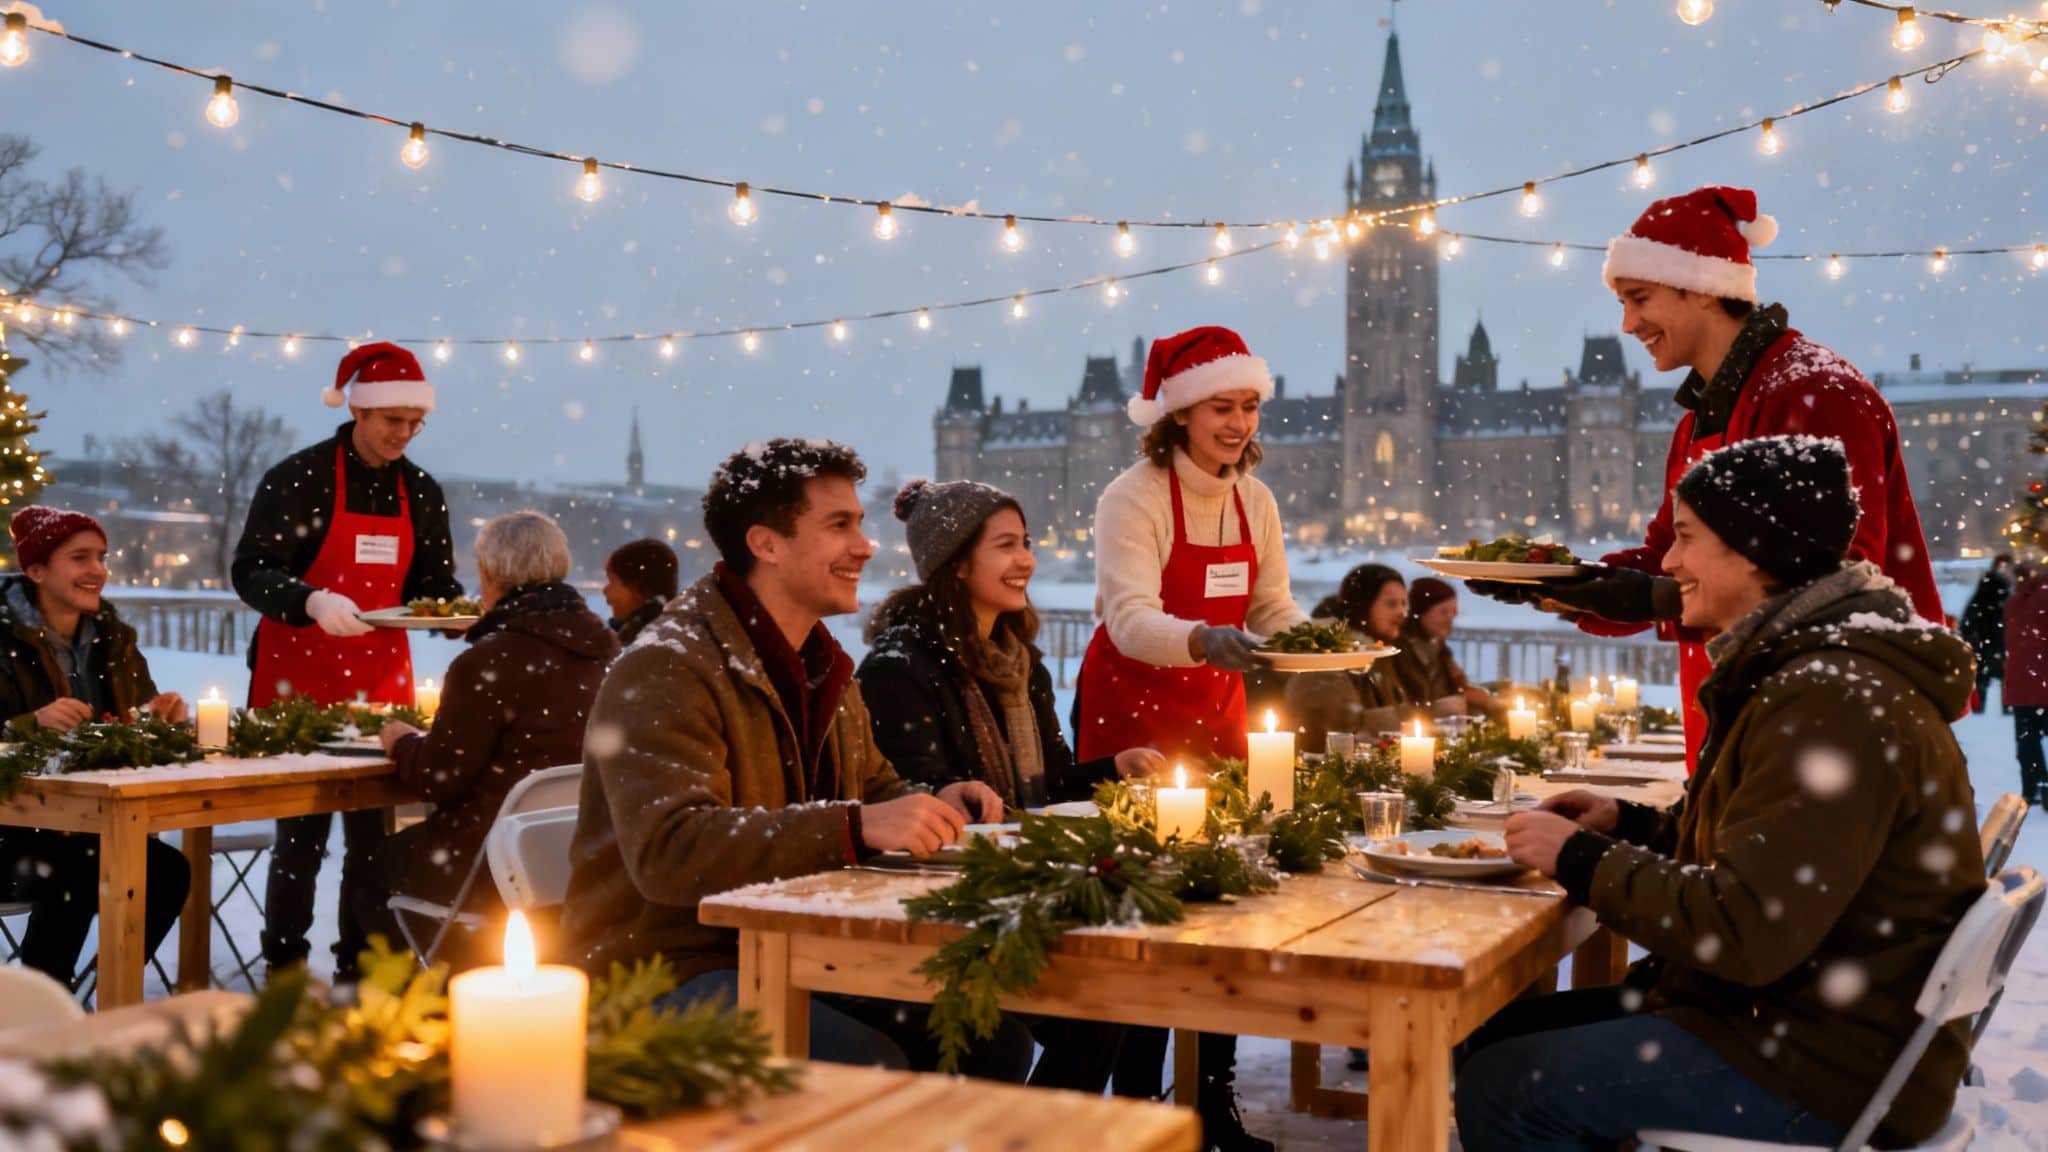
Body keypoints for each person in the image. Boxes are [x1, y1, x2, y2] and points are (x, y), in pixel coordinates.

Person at [1456, 436, 1984, 1151]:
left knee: (1507, 1086)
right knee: (1489, 1033)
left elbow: (1744, 930)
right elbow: (1760, 857)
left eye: (1686, 537)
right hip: (1801, 1016)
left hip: (1823, 1060)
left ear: (1755, 551)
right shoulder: (1810, 671)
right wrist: (1627, 824)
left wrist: (1580, 858)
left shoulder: (1830, 703)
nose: (1670, 563)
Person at [563, 438, 1031, 1079]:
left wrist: (928, 803)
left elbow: (874, 789)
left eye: (860, 524)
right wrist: (853, 826)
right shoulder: (667, 667)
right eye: (839, 526)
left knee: (990, 1036)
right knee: (871, 1065)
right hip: (661, 968)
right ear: (766, 544)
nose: (865, 545)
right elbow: (670, 851)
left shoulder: (822, 664)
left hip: (792, 944)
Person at [1467, 186, 1941, 771]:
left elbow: (1839, 587)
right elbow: (1667, 556)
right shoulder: (1700, 416)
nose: (1627, 324)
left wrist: (1659, 599)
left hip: (1826, 734)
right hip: (1744, 734)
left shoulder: (1814, 393)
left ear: (1701, 288)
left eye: (1639, 298)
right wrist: (1564, 585)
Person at [1075, 325, 1305, 1152]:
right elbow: (1130, 617)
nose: (1239, 423)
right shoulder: (1132, 497)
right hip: (1134, 712)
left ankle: (1211, 1103)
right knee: (1146, 918)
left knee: (1222, 906)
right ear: (1179, 414)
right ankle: (1141, 1110)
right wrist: (1202, 638)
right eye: (1221, 408)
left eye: (1249, 406)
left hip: (1217, 709)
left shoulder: (1255, 500)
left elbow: (1271, 608)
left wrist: (1319, 644)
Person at [858, 477, 1158, 1093]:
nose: (1026, 560)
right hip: (946, 906)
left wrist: (1115, 769)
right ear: (956, 563)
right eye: (1006, 545)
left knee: (1123, 982)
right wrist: (963, 798)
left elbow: (1047, 784)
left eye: (1026, 543)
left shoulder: (1021, 664)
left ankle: (1069, 1125)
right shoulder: (899, 668)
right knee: (1099, 995)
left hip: (1017, 886)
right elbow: (912, 796)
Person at [232, 342, 463, 981]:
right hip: (298, 679)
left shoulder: (421, 490)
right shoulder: (298, 478)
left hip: (379, 681)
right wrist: (310, 600)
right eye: (394, 420)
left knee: (374, 841)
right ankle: (284, 968)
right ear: (359, 410)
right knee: (300, 840)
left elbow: (432, 583)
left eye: (416, 422)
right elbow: (250, 571)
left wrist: (451, 612)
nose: (405, 433)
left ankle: (356, 970)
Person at [354, 511, 618, 966]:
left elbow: (438, 778)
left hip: (490, 858)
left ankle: (418, 990)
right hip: (577, 857)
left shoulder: (490, 662)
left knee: (370, 868)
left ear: (490, 574)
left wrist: (401, 741)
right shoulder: (608, 654)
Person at [0, 507, 191, 984]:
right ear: (36, 570)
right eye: (79, 558)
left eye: (101, 557)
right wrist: (28, 725)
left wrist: (157, 721)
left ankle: (110, 994)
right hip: (11, 828)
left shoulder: (114, 640)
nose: (97, 570)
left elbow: (130, 726)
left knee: (167, 871)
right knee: (78, 866)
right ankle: (46, 1000)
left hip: (89, 823)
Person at [1283, 564, 1413, 750]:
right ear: (1363, 606)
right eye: (1391, 604)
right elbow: (1337, 725)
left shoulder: (1382, 653)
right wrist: (1410, 715)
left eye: (1404, 603)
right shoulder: (1327, 655)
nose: (1402, 613)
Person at [1389, 577, 1502, 719]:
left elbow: (1458, 686)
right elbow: (1418, 702)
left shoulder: (1438, 647)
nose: (1450, 619)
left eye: (1454, 612)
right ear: (1421, 613)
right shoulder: (1402, 652)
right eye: (1443, 612)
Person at [2004, 563, 2048, 805]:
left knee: (2027, 739)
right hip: (2043, 681)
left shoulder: (2014, 603)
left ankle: (2032, 787)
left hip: (2021, 684)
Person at [1959, 552, 2014, 713]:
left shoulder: (1989, 588)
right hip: (1994, 640)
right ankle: (2002, 709)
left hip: (1990, 641)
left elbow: (1970, 616)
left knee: (1987, 677)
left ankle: (1981, 708)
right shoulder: (2001, 590)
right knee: (2001, 677)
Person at [602, 537, 678, 645]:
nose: (605, 590)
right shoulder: (671, 633)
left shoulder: (641, 644)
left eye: (611, 581)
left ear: (638, 587)